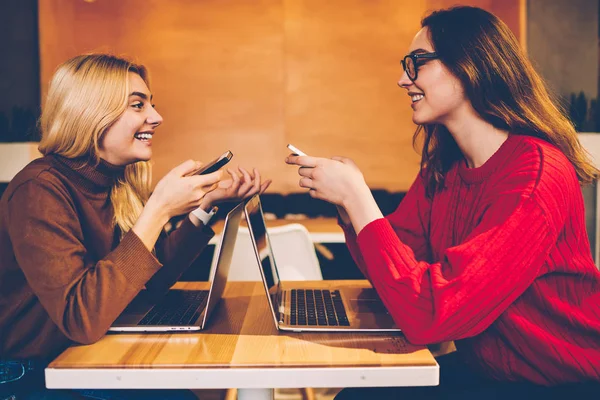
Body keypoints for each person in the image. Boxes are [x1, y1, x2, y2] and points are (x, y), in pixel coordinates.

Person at [286, 6, 600, 399]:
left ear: (470, 65)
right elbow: (398, 272)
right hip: (490, 372)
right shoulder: (445, 166)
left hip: (562, 383)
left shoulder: (535, 174)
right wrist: (350, 208)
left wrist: (357, 196)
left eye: (417, 62)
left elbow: (432, 315)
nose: (403, 79)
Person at [0, 53, 270, 399]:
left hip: (81, 355)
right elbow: (80, 317)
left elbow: (143, 281)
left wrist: (206, 209)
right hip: (31, 373)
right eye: (138, 105)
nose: (156, 118)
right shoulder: (38, 189)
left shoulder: (115, 183)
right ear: (91, 113)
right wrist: (157, 210)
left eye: (151, 105)